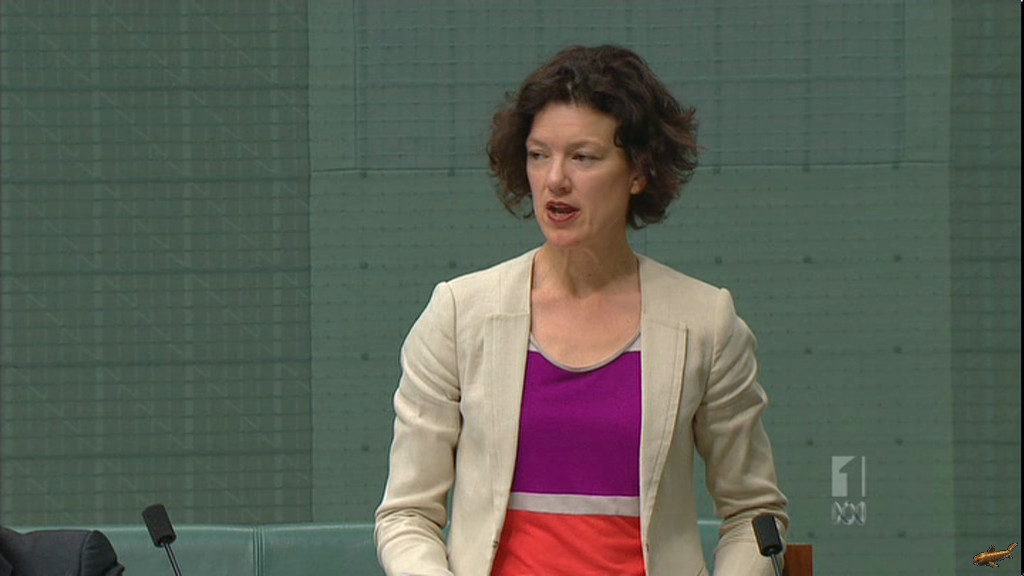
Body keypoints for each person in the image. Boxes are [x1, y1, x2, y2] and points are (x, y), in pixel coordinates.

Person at [375, 45, 788, 576]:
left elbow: (754, 514)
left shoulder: (705, 321)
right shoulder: (459, 314)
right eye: (538, 155)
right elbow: (406, 514)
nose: (555, 180)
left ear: (638, 171)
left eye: (583, 157)